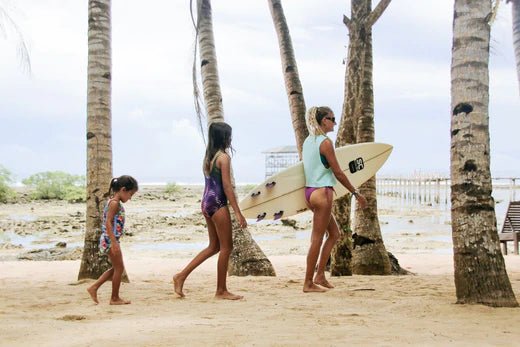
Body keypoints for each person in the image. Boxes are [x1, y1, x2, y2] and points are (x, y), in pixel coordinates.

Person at [173, 122, 247, 300]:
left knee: (214, 247)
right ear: (223, 137)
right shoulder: (223, 158)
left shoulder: (209, 158)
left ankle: (181, 276)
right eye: (229, 136)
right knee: (226, 247)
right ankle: (221, 290)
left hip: (206, 202)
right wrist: (238, 212)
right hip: (218, 203)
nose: (230, 139)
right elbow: (227, 187)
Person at [302, 106, 367, 293]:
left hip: (310, 192)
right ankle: (308, 282)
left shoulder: (308, 141)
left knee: (335, 234)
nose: (334, 122)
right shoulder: (325, 143)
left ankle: (320, 275)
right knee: (316, 239)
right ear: (323, 121)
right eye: (332, 118)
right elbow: (338, 172)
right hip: (323, 193)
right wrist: (355, 193)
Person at [87, 175, 139, 305]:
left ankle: (94, 287)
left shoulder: (113, 202)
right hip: (110, 240)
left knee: (117, 268)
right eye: (130, 194)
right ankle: (114, 298)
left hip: (110, 239)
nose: (130, 198)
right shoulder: (115, 203)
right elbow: (109, 223)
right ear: (123, 190)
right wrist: (114, 242)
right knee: (119, 268)